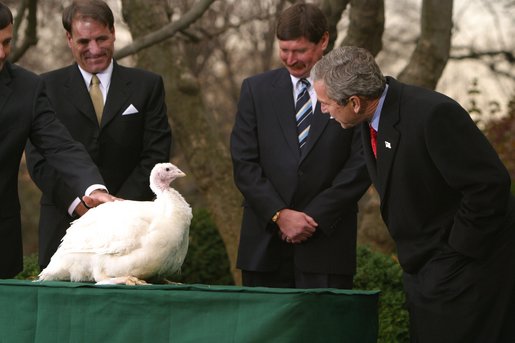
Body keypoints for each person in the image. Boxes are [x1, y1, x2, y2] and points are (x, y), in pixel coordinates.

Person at [311, 45, 515, 341]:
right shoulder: (369, 121)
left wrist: (456, 252)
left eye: (326, 103)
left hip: (470, 269)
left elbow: (488, 185)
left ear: (354, 102)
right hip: (426, 270)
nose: (323, 110)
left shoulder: (433, 114)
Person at [230, 3, 370, 289]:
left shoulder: (354, 89)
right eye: (284, 50)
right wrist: (279, 214)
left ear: (323, 42)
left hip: (327, 244)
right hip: (264, 245)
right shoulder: (255, 90)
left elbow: (361, 163)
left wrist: (311, 218)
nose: (290, 59)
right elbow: (244, 162)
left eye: (300, 51)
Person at [25, 0, 172, 269]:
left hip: (133, 228)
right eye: (84, 41)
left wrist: (118, 208)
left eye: (101, 38)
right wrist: (78, 203)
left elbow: (156, 153)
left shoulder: (147, 85)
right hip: (64, 223)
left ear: (114, 32)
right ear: (69, 39)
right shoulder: (43, 87)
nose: (94, 49)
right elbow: (39, 160)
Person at [0, 2, 118, 279]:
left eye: (6, 42)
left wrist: (94, 189)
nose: (2, 53)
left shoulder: (26, 87)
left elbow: (59, 145)